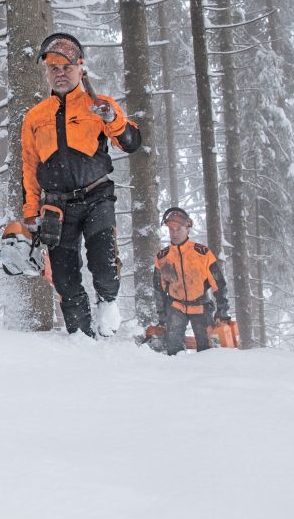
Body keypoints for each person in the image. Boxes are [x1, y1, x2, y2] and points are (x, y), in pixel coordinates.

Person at [21, 32, 142, 337]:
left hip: (97, 197)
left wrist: (112, 118)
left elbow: (131, 142)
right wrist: (31, 212)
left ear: (80, 68)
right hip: (55, 206)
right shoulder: (35, 117)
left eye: (67, 67)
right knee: (64, 278)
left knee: (103, 262)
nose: (60, 74)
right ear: (46, 71)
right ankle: (81, 338)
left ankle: (109, 304)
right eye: (53, 68)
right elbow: (29, 166)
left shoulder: (100, 105)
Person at [152, 206, 231, 355]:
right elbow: (158, 288)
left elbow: (218, 284)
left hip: (200, 305)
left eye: (178, 229)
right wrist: (162, 315)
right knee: (173, 350)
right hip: (175, 306)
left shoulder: (203, 253)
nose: (174, 233)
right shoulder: (162, 257)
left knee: (207, 350)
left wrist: (222, 309)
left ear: (188, 229)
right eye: (171, 229)